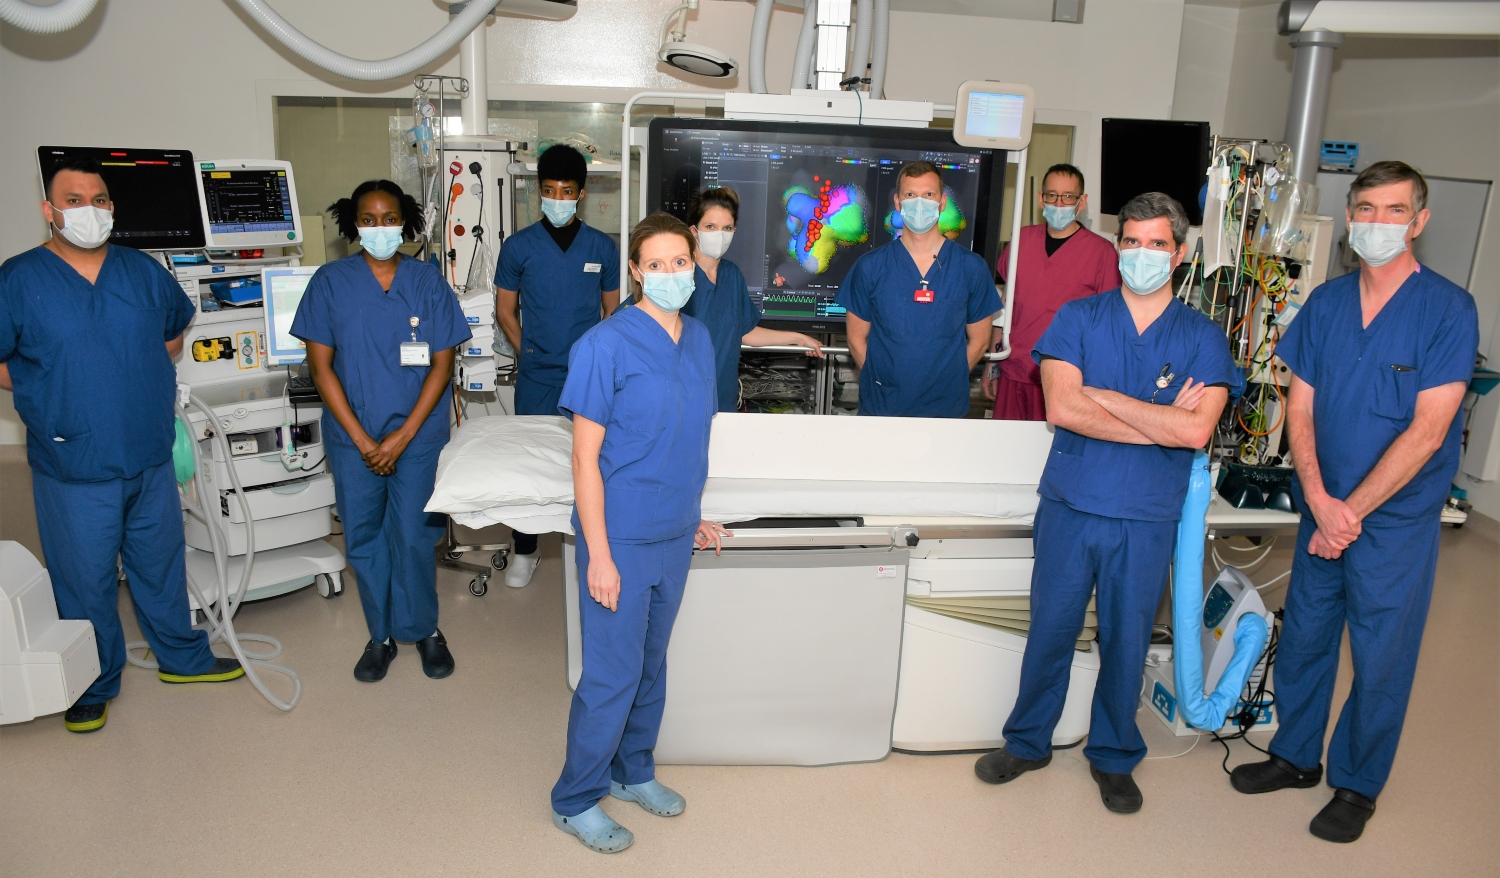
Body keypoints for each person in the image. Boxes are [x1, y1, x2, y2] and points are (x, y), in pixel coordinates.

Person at [1228, 161, 1477, 843]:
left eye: (1394, 211)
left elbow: (1430, 430)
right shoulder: (1329, 304)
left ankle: (1357, 785)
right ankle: (1295, 755)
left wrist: (1351, 512)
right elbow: (1298, 407)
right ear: (1349, 219)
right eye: (1365, 209)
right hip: (1322, 509)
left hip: (1391, 524)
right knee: (1306, 638)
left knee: (1381, 654)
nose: (1376, 223)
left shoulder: (1448, 311)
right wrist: (1318, 497)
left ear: (1419, 221)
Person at [973, 192, 1241, 813]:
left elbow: (1197, 432)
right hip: (1072, 504)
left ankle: (1115, 755)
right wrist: (1159, 418)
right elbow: (1063, 409)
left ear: (1178, 254)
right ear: (1116, 245)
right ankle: (1028, 741)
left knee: (1126, 641)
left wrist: (1105, 397)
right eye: (1131, 241)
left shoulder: (1201, 337)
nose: (1140, 254)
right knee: (1052, 631)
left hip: (1146, 517)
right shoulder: (1079, 317)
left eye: (1155, 244)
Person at [0, 156, 243, 733]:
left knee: (159, 565)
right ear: (50, 210)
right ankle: (93, 679)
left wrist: (124, 368)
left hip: (148, 451)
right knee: (83, 578)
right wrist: (51, 383)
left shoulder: (141, 271)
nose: (91, 210)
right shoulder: (19, 279)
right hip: (74, 459)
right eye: (76, 200)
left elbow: (173, 335)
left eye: (101, 199)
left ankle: (182, 659)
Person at [550, 212, 729, 854]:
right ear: (635, 271)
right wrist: (598, 553)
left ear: (693, 265)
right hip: (620, 535)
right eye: (655, 264)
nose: (670, 274)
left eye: (680, 262)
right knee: (612, 674)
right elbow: (584, 459)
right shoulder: (604, 345)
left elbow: (684, 436)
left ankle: (633, 771)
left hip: (674, 530)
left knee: (652, 665)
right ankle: (575, 798)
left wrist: (693, 512)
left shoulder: (701, 339)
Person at [291, 179, 470, 683]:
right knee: (365, 538)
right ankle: (381, 636)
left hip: (416, 438)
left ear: (406, 221)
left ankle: (426, 630)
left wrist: (400, 438)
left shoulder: (427, 281)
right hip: (355, 440)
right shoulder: (329, 282)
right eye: (367, 221)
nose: (379, 229)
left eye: (389, 219)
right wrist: (368, 441)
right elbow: (322, 370)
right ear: (353, 225)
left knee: (415, 536)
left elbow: (441, 364)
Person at [494, 144, 620, 587]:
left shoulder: (602, 248)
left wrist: (599, 365)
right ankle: (525, 550)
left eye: (567, 191)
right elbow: (505, 311)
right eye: (549, 191)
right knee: (530, 463)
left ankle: (589, 544)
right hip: (536, 375)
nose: (558, 199)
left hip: (587, 378)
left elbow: (613, 315)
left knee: (589, 462)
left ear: (581, 193)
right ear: (538, 192)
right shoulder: (519, 248)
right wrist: (527, 348)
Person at [836, 160, 1000, 418]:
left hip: (946, 409)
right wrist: (881, 379)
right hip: (883, 407)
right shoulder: (870, 267)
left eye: (928, 194)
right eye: (911, 195)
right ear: (898, 202)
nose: (919, 202)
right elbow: (857, 340)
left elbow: (980, 342)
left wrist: (949, 380)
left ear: (942, 202)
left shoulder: (971, 268)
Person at [982, 163, 1121, 420]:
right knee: (1006, 450)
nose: (1059, 203)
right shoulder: (1022, 240)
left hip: (1066, 377)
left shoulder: (1101, 253)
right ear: (1040, 198)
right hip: (1014, 368)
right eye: (1051, 195)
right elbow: (1006, 305)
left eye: (1068, 196)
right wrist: (993, 362)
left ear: (1081, 202)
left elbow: (1108, 326)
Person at [680, 186, 824, 412]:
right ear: (694, 231)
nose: (719, 234)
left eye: (727, 228)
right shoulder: (677, 277)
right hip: (684, 402)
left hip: (723, 400)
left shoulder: (732, 275)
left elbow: (745, 332)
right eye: (710, 227)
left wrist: (797, 338)